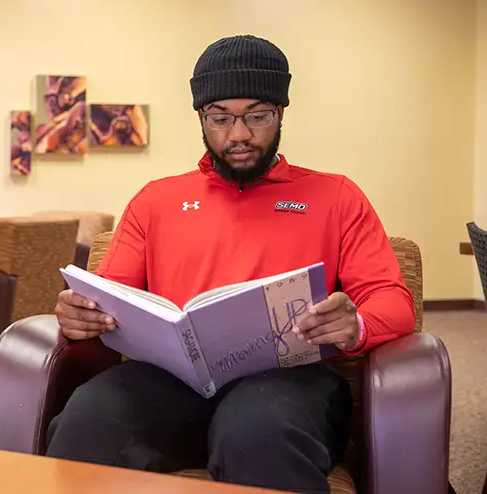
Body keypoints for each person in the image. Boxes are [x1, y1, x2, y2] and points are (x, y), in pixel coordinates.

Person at [46, 34, 415, 494]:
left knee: (255, 434)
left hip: (290, 382)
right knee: (87, 420)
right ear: (201, 117)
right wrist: (80, 314)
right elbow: (108, 298)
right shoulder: (156, 200)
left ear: (280, 113)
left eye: (257, 116)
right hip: (170, 380)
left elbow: (393, 300)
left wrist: (355, 324)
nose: (239, 134)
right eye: (220, 118)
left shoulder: (336, 196)